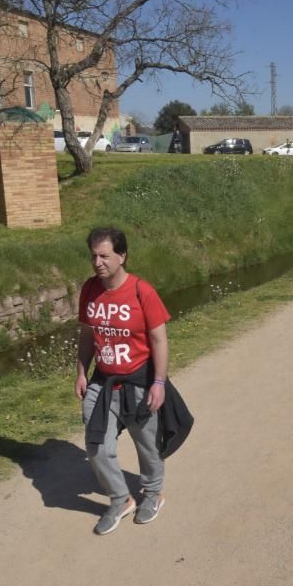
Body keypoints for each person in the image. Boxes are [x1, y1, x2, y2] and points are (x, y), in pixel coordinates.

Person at [76, 227, 190, 535]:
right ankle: (120, 499)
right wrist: (81, 372)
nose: (97, 262)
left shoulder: (142, 291)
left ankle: (152, 494)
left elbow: (159, 340)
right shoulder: (89, 290)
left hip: (139, 381)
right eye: (93, 256)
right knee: (96, 444)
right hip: (103, 381)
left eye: (104, 256)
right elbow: (87, 335)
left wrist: (159, 383)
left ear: (122, 256)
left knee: (147, 445)